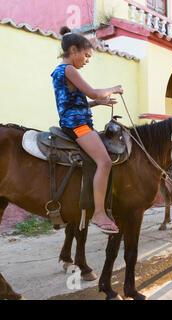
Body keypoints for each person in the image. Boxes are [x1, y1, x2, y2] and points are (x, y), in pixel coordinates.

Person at [51, 26, 124, 234]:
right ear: (73, 50)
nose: (87, 60)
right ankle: (99, 212)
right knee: (105, 161)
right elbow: (93, 92)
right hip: (78, 125)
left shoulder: (60, 71)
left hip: (72, 120)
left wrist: (98, 105)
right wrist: (114, 88)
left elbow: (71, 103)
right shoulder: (69, 69)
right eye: (86, 55)